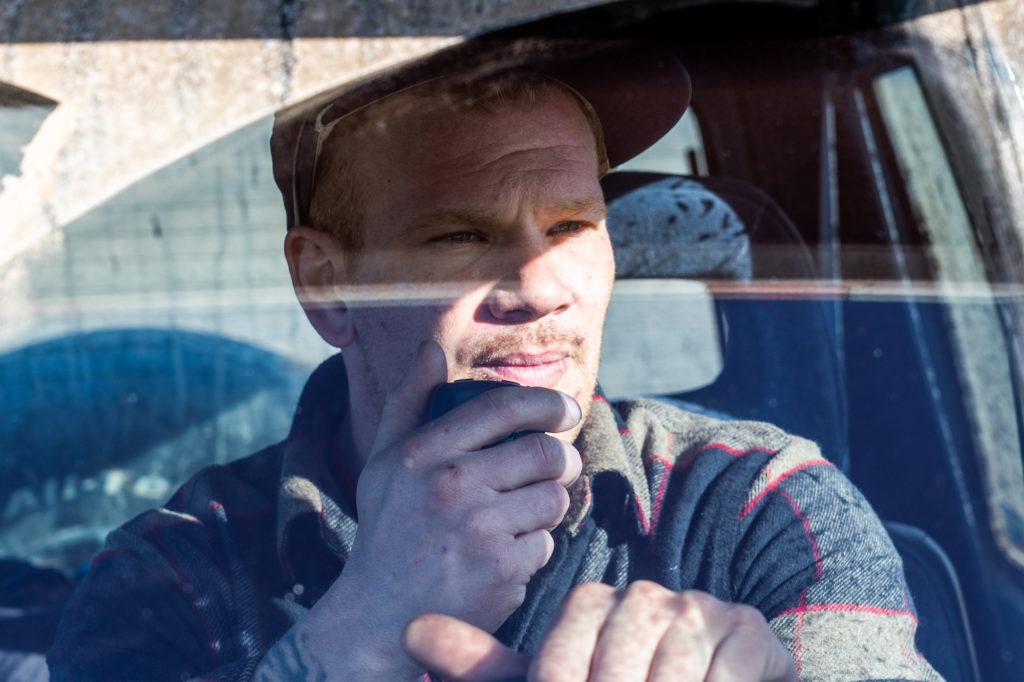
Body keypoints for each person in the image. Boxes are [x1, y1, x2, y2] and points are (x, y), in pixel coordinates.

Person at [48, 40, 941, 681]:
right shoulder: (177, 575)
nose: (540, 287)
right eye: (460, 235)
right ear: (325, 286)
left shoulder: (752, 507)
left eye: (571, 227)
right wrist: (356, 636)